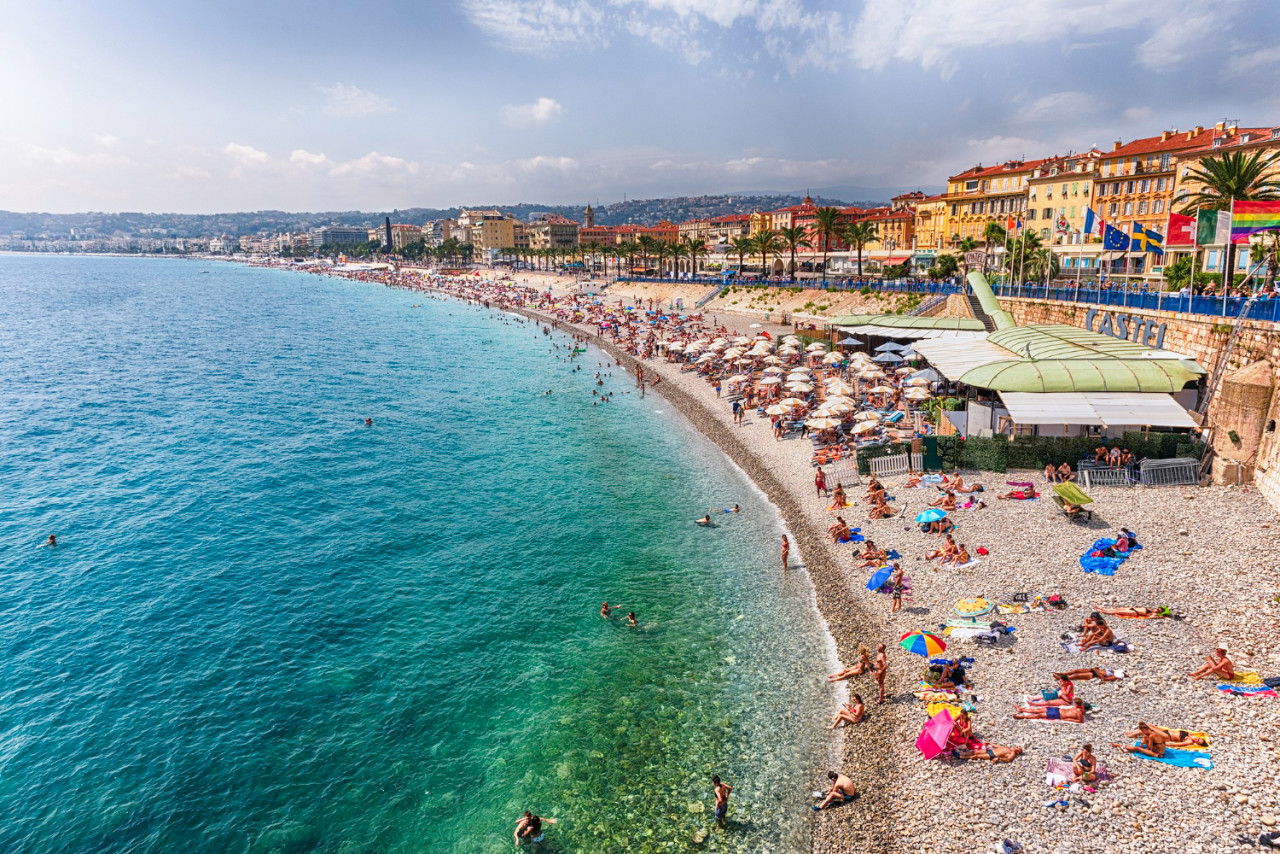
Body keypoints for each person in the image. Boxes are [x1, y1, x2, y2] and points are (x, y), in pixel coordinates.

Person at [1012, 698, 1087, 722]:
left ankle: (1021, 717)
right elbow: (1084, 706)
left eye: (1076, 703)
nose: (1074, 704)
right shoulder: (1079, 707)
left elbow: (1081, 721)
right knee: (1038, 710)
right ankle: (1021, 710)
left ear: (1078, 704)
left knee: (1039, 715)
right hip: (1057, 709)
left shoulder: (1079, 711)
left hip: (1058, 715)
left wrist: (1069, 719)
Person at [954, 744, 1023, 763]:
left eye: (1017, 748)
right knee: (974, 751)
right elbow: (998, 746)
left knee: (977, 755)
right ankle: (960, 754)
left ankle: (960, 757)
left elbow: (1009, 759)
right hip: (991, 750)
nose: (1016, 747)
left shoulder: (1012, 753)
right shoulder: (1008, 748)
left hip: (992, 755)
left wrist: (999, 758)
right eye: (1017, 746)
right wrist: (990, 743)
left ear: (1017, 752)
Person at [1052, 667, 1123, 682]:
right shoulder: (1113, 670)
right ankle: (1061, 673)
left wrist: (1097, 672)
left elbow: (1104, 679)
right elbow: (1103, 670)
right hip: (1094, 670)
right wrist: (1096, 669)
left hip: (1095, 674)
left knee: (1077, 675)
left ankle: (1061, 678)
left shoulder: (1114, 676)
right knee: (1076, 670)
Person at [1096, 606, 1173, 619]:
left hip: (1135, 613)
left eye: (1159, 610)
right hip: (1133, 609)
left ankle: (1103, 611)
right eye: (1158, 609)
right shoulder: (1152, 610)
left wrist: (1159, 616)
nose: (1157, 610)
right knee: (1117, 610)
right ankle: (1103, 609)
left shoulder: (1154, 614)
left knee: (1118, 612)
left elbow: (1150, 617)